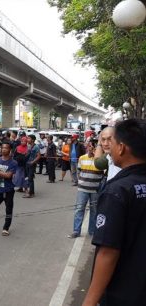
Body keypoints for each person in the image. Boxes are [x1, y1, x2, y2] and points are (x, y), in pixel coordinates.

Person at [83, 119, 146, 306]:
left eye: (113, 142)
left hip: (123, 292)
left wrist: (89, 301)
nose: (107, 145)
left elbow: (108, 252)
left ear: (122, 148)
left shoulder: (117, 191)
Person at [67, 142, 104, 239]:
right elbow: (78, 172)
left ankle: (92, 231)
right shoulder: (82, 158)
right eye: (89, 146)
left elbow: (103, 176)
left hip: (95, 190)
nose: (91, 148)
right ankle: (76, 231)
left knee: (94, 210)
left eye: (93, 147)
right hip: (82, 189)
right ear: (86, 148)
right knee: (79, 209)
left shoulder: (100, 161)